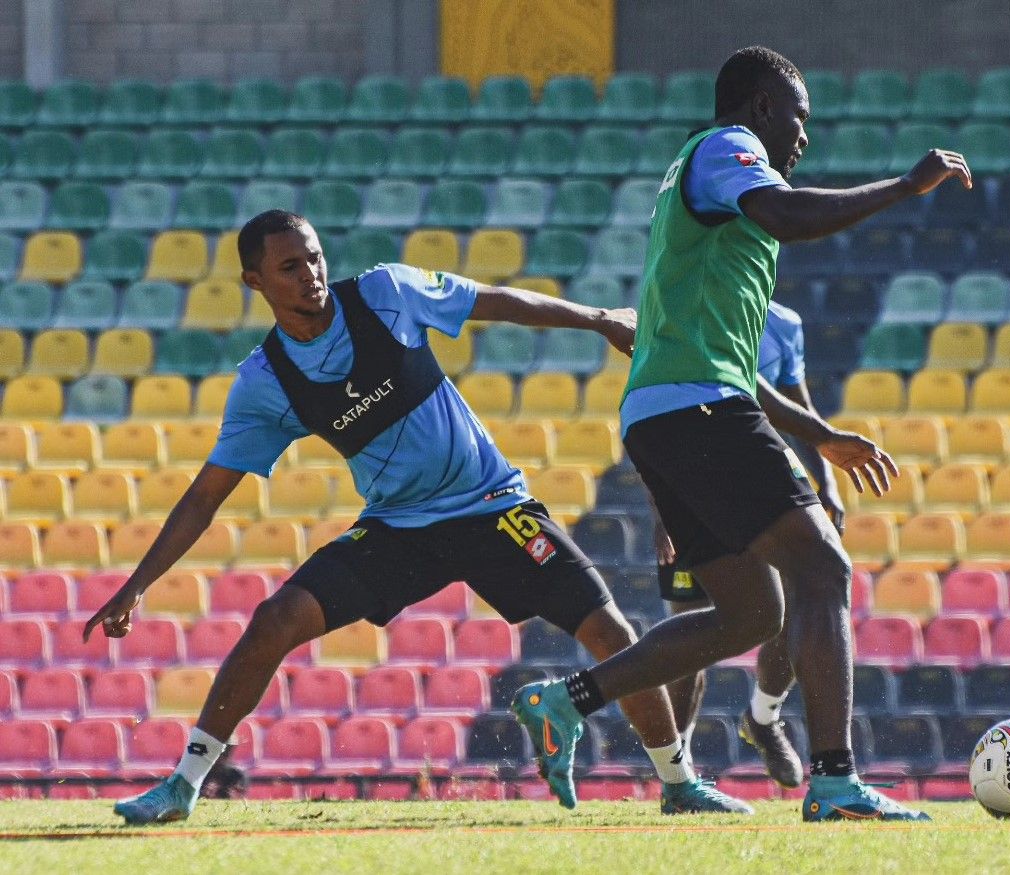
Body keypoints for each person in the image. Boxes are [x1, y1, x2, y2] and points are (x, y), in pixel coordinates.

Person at [85, 210, 751, 823]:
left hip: (494, 506)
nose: (310, 274)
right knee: (274, 620)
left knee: (610, 626)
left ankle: (679, 782)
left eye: (314, 258)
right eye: (290, 267)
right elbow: (206, 494)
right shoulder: (266, 380)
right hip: (399, 526)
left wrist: (597, 317)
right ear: (253, 279)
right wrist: (138, 583)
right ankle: (182, 783)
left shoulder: (384, 293)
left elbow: (497, 302)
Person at [512, 45, 972, 822]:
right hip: (697, 412)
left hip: (670, 411)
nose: (802, 138)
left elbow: (737, 366)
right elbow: (788, 216)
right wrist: (905, 185)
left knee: (753, 613)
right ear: (761, 108)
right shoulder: (732, 151)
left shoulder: (715, 210)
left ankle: (563, 699)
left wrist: (819, 435)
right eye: (798, 119)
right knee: (823, 566)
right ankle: (833, 780)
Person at [656, 300, 842, 790]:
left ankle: (762, 717)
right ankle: (679, 769)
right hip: (693, 485)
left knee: (796, 601)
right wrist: (663, 509)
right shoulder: (680, 311)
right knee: (690, 632)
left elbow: (796, 401)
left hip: (761, 487)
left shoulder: (785, 324)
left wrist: (828, 483)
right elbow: (655, 408)